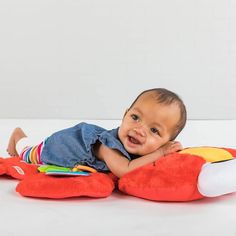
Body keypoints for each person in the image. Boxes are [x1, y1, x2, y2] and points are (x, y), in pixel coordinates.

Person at [7, 88, 187, 178]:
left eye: (154, 130)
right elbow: (124, 170)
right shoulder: (109, 146)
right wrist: (160, 153)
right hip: (57, 147)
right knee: (27, 154)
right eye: (135, 117)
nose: (139, 129)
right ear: (124, 115)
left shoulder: (139, 151)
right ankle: (18, 138)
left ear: (166, 141)